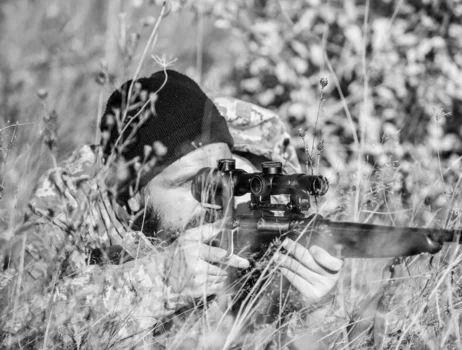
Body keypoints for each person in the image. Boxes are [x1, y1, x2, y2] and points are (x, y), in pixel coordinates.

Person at [0, 69, 343, 348]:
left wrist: (315, 311)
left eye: (229, 170)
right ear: (132, 196)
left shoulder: (260, 198)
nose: (218, 196)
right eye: (190, 183)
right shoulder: (67, 210)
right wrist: (158, 281)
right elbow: (18, 329)